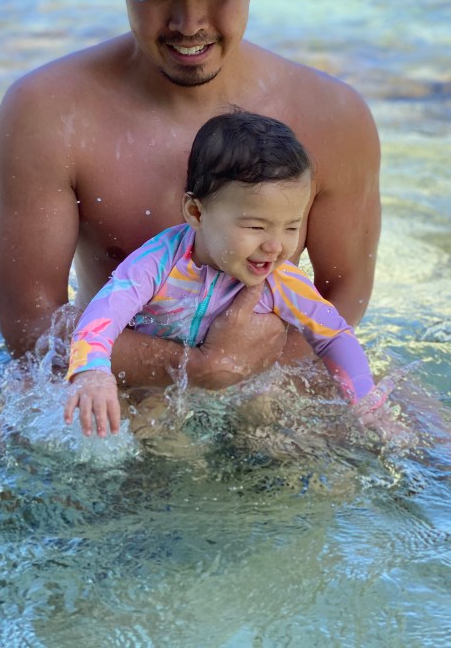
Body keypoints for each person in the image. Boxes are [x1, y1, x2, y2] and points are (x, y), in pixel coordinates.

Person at [0, 0, 381, 392]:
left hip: (270, 371)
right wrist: (199, 370)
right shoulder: (49, 112)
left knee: (439, 452)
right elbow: (31, 328)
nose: (189, 22)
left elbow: (342, 298)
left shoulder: (334, 117)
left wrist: (246, 377)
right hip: (122, 378)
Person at [64, 110, 391, 438]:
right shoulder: (157, 263)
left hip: (244, 388)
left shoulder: (281, 279)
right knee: (159, 430)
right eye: (256, 226)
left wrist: (366, 402)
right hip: (159, 386)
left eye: (292, 226)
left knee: (272, 430)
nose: (275, 246)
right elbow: (102, 316)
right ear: (196, 212)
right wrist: (92, 370)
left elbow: (333, 334)